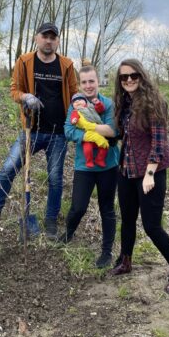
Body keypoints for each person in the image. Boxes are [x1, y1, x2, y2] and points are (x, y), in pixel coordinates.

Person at [0, 22, 78, 240]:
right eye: (45, 36)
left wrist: (78, 115)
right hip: (32, 130)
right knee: (8, 169)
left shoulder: (66, 65)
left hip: (58, 133)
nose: (49, 40)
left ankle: (50, 220)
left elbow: (75, 94)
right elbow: (14, 90)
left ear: (57, 41)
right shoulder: (24, 61)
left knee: (56, 179)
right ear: (36, 38)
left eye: (53, 37)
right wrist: (25, 97)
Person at [110, 58, 169, 294]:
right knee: (128, 219)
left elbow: (159, 141)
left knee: (152, 226)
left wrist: (150, 173)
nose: (129, 80)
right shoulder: (124, 103)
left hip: (150, 173)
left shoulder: (154, 102)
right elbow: (123, 136)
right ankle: (126, 260)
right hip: (127, 171)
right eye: (124, 77)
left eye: (133, 75)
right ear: (120, 81)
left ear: (141, 76)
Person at [59, 65, 119, 268]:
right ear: (80, 84)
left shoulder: (108, 104)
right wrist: (85, 135)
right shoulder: (76, 103)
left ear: (98, 80)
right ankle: (68, 234)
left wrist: (90, 127)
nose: (88, 85)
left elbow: (112, 130)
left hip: (108, 166)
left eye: (91, 81)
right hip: (84, 166)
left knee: (107, 209)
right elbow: (68, 129)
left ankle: (106, 251)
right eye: (84, 82)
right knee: (78, 207)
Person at [70, 92, 108, 168]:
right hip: (87, 133)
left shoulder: (91, 108)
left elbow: (100, 110)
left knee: (104, 145)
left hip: (98, 130)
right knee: (87, 148)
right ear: (73, 106)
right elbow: (74, 117)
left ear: (85, 101)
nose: (77, 102)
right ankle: (89, 161)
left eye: (80, 100)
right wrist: (74, 120)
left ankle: (99, 159)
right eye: (75, 101)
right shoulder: (76, 112)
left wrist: (98, 104)